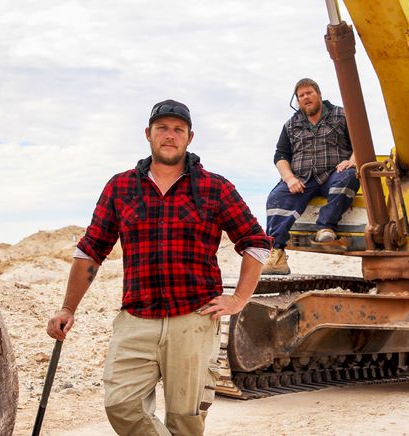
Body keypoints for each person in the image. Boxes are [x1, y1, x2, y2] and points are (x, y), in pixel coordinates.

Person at [46, 100, 272, 435]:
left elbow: (256, 242)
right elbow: (91, 251)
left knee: (186, 420)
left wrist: (238, 299)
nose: (170, 135)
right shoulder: (121, 187)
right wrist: (68, 307)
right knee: (122, 405)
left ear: (189, 137)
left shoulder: (214, 188)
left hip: (193, 319)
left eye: (178, 129)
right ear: (148, 134)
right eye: (162, 128)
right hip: (136, 319)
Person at [262, 78, 360, 275]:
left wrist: (353, 160)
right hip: (302, 178)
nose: (305, 97)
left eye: (309, 93)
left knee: (349, 177)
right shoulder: (291, 125)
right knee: (276, 197)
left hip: (334, 173)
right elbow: (280, 155)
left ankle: (326, 227)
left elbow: (360, 142)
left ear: (319, 94)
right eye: (301, 95)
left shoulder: (342, 115)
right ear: (297, 100)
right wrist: (289, 178)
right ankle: (276, 254)